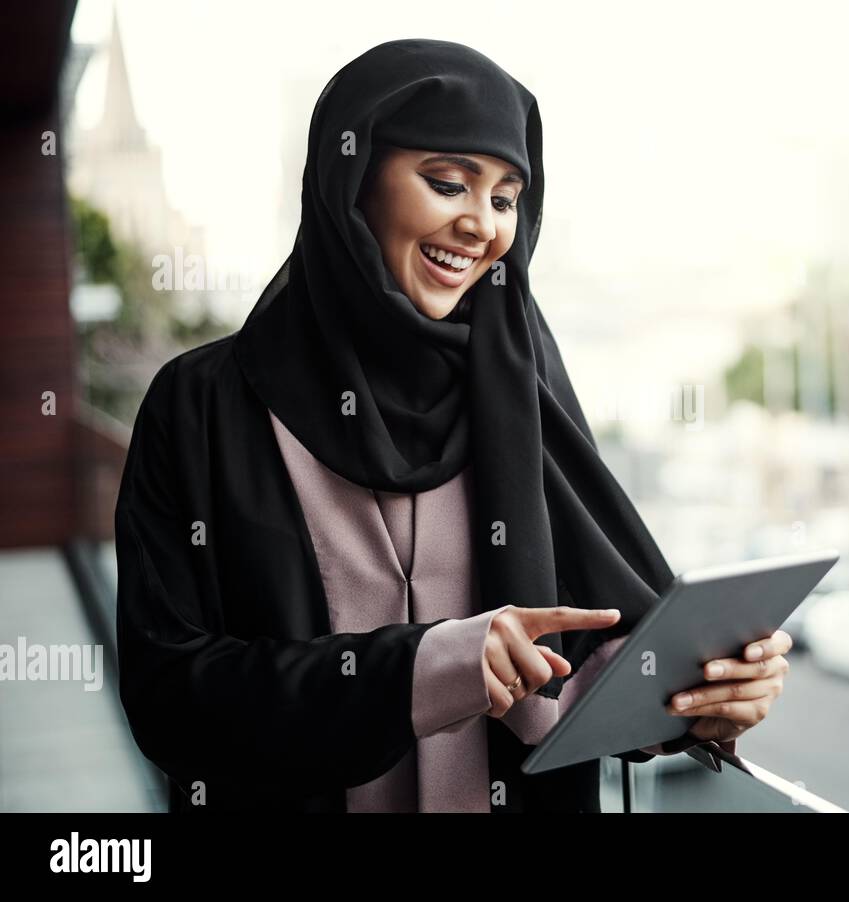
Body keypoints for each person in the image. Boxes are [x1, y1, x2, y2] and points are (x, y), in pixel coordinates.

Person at [114, 39, 791, 813]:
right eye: (447, 184)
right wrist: (425, 670)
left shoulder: (524, 387)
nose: (481, 226)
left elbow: (584, 665)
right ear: (351, 178)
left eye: (505, 199)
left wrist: (699, 692)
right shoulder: (200, 407)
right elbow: (170, 693)